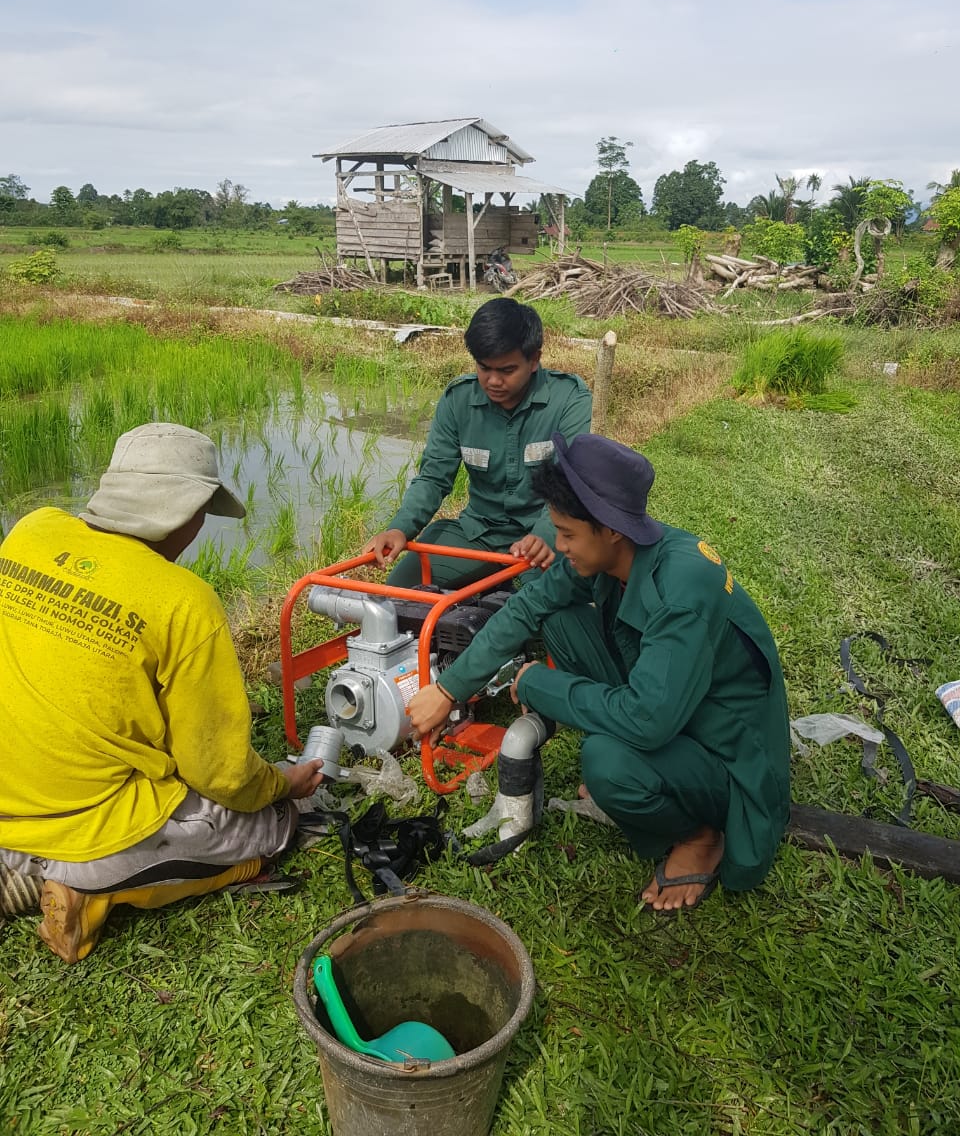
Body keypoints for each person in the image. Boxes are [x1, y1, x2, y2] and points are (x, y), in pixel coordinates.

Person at [407, 433, 791, 912]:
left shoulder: (681, 590)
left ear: (611, 528)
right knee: (560, 619)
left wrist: (538, 684)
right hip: (682, 706)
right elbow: (530, 606)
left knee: (608, 763)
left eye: (567, 534)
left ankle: (700, 833)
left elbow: (649, 720)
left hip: (728, 749)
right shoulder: (615, 552)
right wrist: (448, 688)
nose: (558, 546)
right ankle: (653, 777)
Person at [0, 423, 327, 963]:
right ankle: (89, 889)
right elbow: (222, 776)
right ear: (189, 514)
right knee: (274, 828)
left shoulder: (31, 531)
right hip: (87, 826)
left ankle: (22, 863)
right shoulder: (184, 602)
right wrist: (285, 784)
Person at [363, 297, 592, 590]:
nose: (493, 380)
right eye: (484, 368)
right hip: (477, 534)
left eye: (507, 370)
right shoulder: (458, 399)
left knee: (542, 605)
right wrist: (399, 528)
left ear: (534, 359)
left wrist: (544, 537)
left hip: (546, 533)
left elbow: (570, 483)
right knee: (403, 589)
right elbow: (433, 478)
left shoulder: (569, 398)